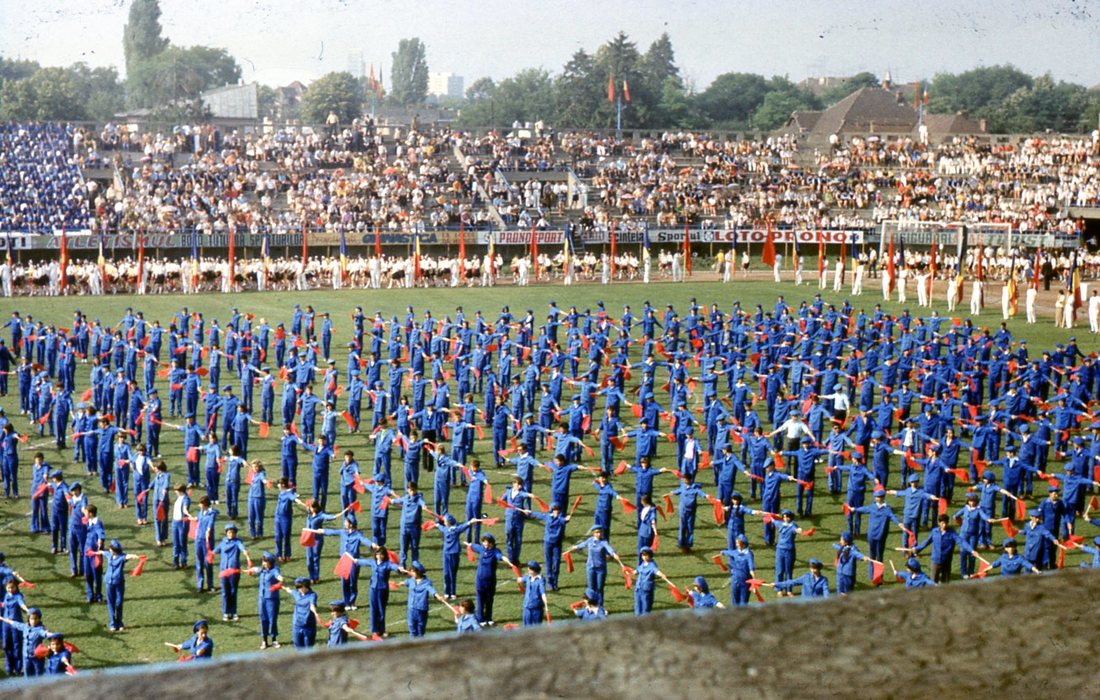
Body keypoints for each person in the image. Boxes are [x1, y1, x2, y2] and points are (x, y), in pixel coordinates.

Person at [402, 561, 446, 638]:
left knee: (420, 632)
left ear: (418, 572)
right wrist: (396, 584)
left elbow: (432, 591)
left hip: (420, 610)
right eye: (411, 571)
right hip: (411, 609)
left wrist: (438, 597)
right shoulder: (411, 580)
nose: (411, 573)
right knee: (412, 630)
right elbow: (405, 582)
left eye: (413, 571)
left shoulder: (426, 583)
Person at [248, 552, 283, 649]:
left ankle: (274, 639)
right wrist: (248, 570)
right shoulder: (262, 570)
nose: (264, 563)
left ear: (270, 562)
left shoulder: (275, 570)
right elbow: (256, 569)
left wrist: (280, 579)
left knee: (272, 619)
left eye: (265, 562)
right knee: (263, 619)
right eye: (263, 561)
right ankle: (264, 640)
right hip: (262, 598)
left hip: (272, 599)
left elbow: (278, 576)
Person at [287, 577, 319, 648]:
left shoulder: (312, 595)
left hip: (308, 626)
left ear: (306, 586)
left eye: (301, 587)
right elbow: (290, 591)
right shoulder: (297, 593)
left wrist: (315, 612)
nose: (299, 589)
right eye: (298, 588)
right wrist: (282, 587)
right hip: (297, 625)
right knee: (298, 647)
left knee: (308, 648)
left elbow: (312, 605)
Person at [517, 560, 550, 626]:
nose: (528, 570)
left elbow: (543, 594)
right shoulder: (528, 578)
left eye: (529, 569)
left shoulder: (540, 581)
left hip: (536, 609)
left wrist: (546, 606)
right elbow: (520, 579)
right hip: (526, 607)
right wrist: (519, 581)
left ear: (533, 571)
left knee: (536, 628)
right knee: (526, 627)